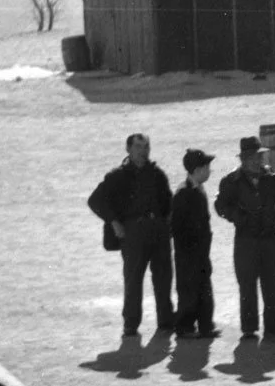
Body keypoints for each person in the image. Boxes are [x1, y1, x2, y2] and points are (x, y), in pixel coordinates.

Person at [89, 132, 175, 341]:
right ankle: (130, 324)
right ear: (128, 149)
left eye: (146, 147)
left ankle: (165, 321)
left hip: (158, 232)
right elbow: (95, 200)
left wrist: (167, 227)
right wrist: (114, 221)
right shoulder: (117, 176)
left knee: (163, 278)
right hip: (133, 233)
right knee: (133, 280)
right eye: (138, 147)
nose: (143, 152)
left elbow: (168, 202)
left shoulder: (157, 175)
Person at [214, 135, 275, 343]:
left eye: (259, 156)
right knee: (247, 284)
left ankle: (274, 325)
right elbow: (220, 206)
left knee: (270, 282)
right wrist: (238, 217)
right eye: (252, 157)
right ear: (243, 160)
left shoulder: (272, 177)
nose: (257, 161)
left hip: (269, 237)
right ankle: (249, 328)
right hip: (245, 240)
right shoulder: (231, 181)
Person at [171, 148, 218, 339]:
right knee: (189, 291)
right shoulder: (184, 193)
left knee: (204, 288)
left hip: (200, 252)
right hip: (188, 254)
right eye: (207, 167)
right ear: (197, 170)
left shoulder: (198, 189)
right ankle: (185, 328)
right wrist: (191, 249)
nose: (209, 171)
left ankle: (206, 326)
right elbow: (176, 227)